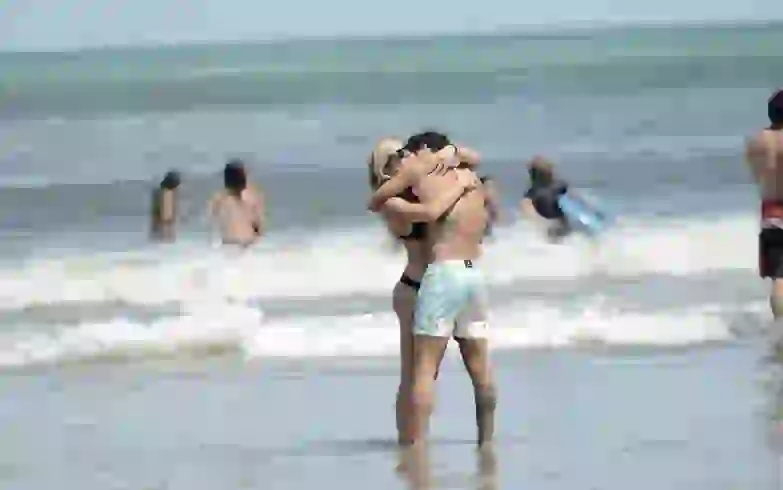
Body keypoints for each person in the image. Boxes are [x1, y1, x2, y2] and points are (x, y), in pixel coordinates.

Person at [369, 131, 497, 449]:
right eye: (397, 156)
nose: (405, 158)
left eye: (405, 152)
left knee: (428, 371)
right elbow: (431, 212)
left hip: (443, 280)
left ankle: (423, 440)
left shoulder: (420, 185)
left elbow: (472, 157)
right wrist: (460, 185)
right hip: (415, 287)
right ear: (385, 167)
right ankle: (410, 441)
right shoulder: (394, 202)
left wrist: (447, 152)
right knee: (414, 372)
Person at [746, 88, 783, 320]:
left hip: (770, 212)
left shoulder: (756, 141)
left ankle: (780, 327)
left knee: (779, 278)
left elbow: (756, 174)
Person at [208, 160, 265, 248]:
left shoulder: (219, 198)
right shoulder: (252, 196)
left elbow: (212, 220)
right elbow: (258, 226)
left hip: (232, 244)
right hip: (244, 245)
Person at [519, 156, 573, 242]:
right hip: (551, 227)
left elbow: (573, 199)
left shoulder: (560, 185)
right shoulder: (533, 192)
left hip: (560, 225)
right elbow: (527, 208)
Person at [150, 170, 181, 242]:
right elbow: (167, 217)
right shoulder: (167, 193)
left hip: (158, 225)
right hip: (163, 227)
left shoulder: (160, 191)